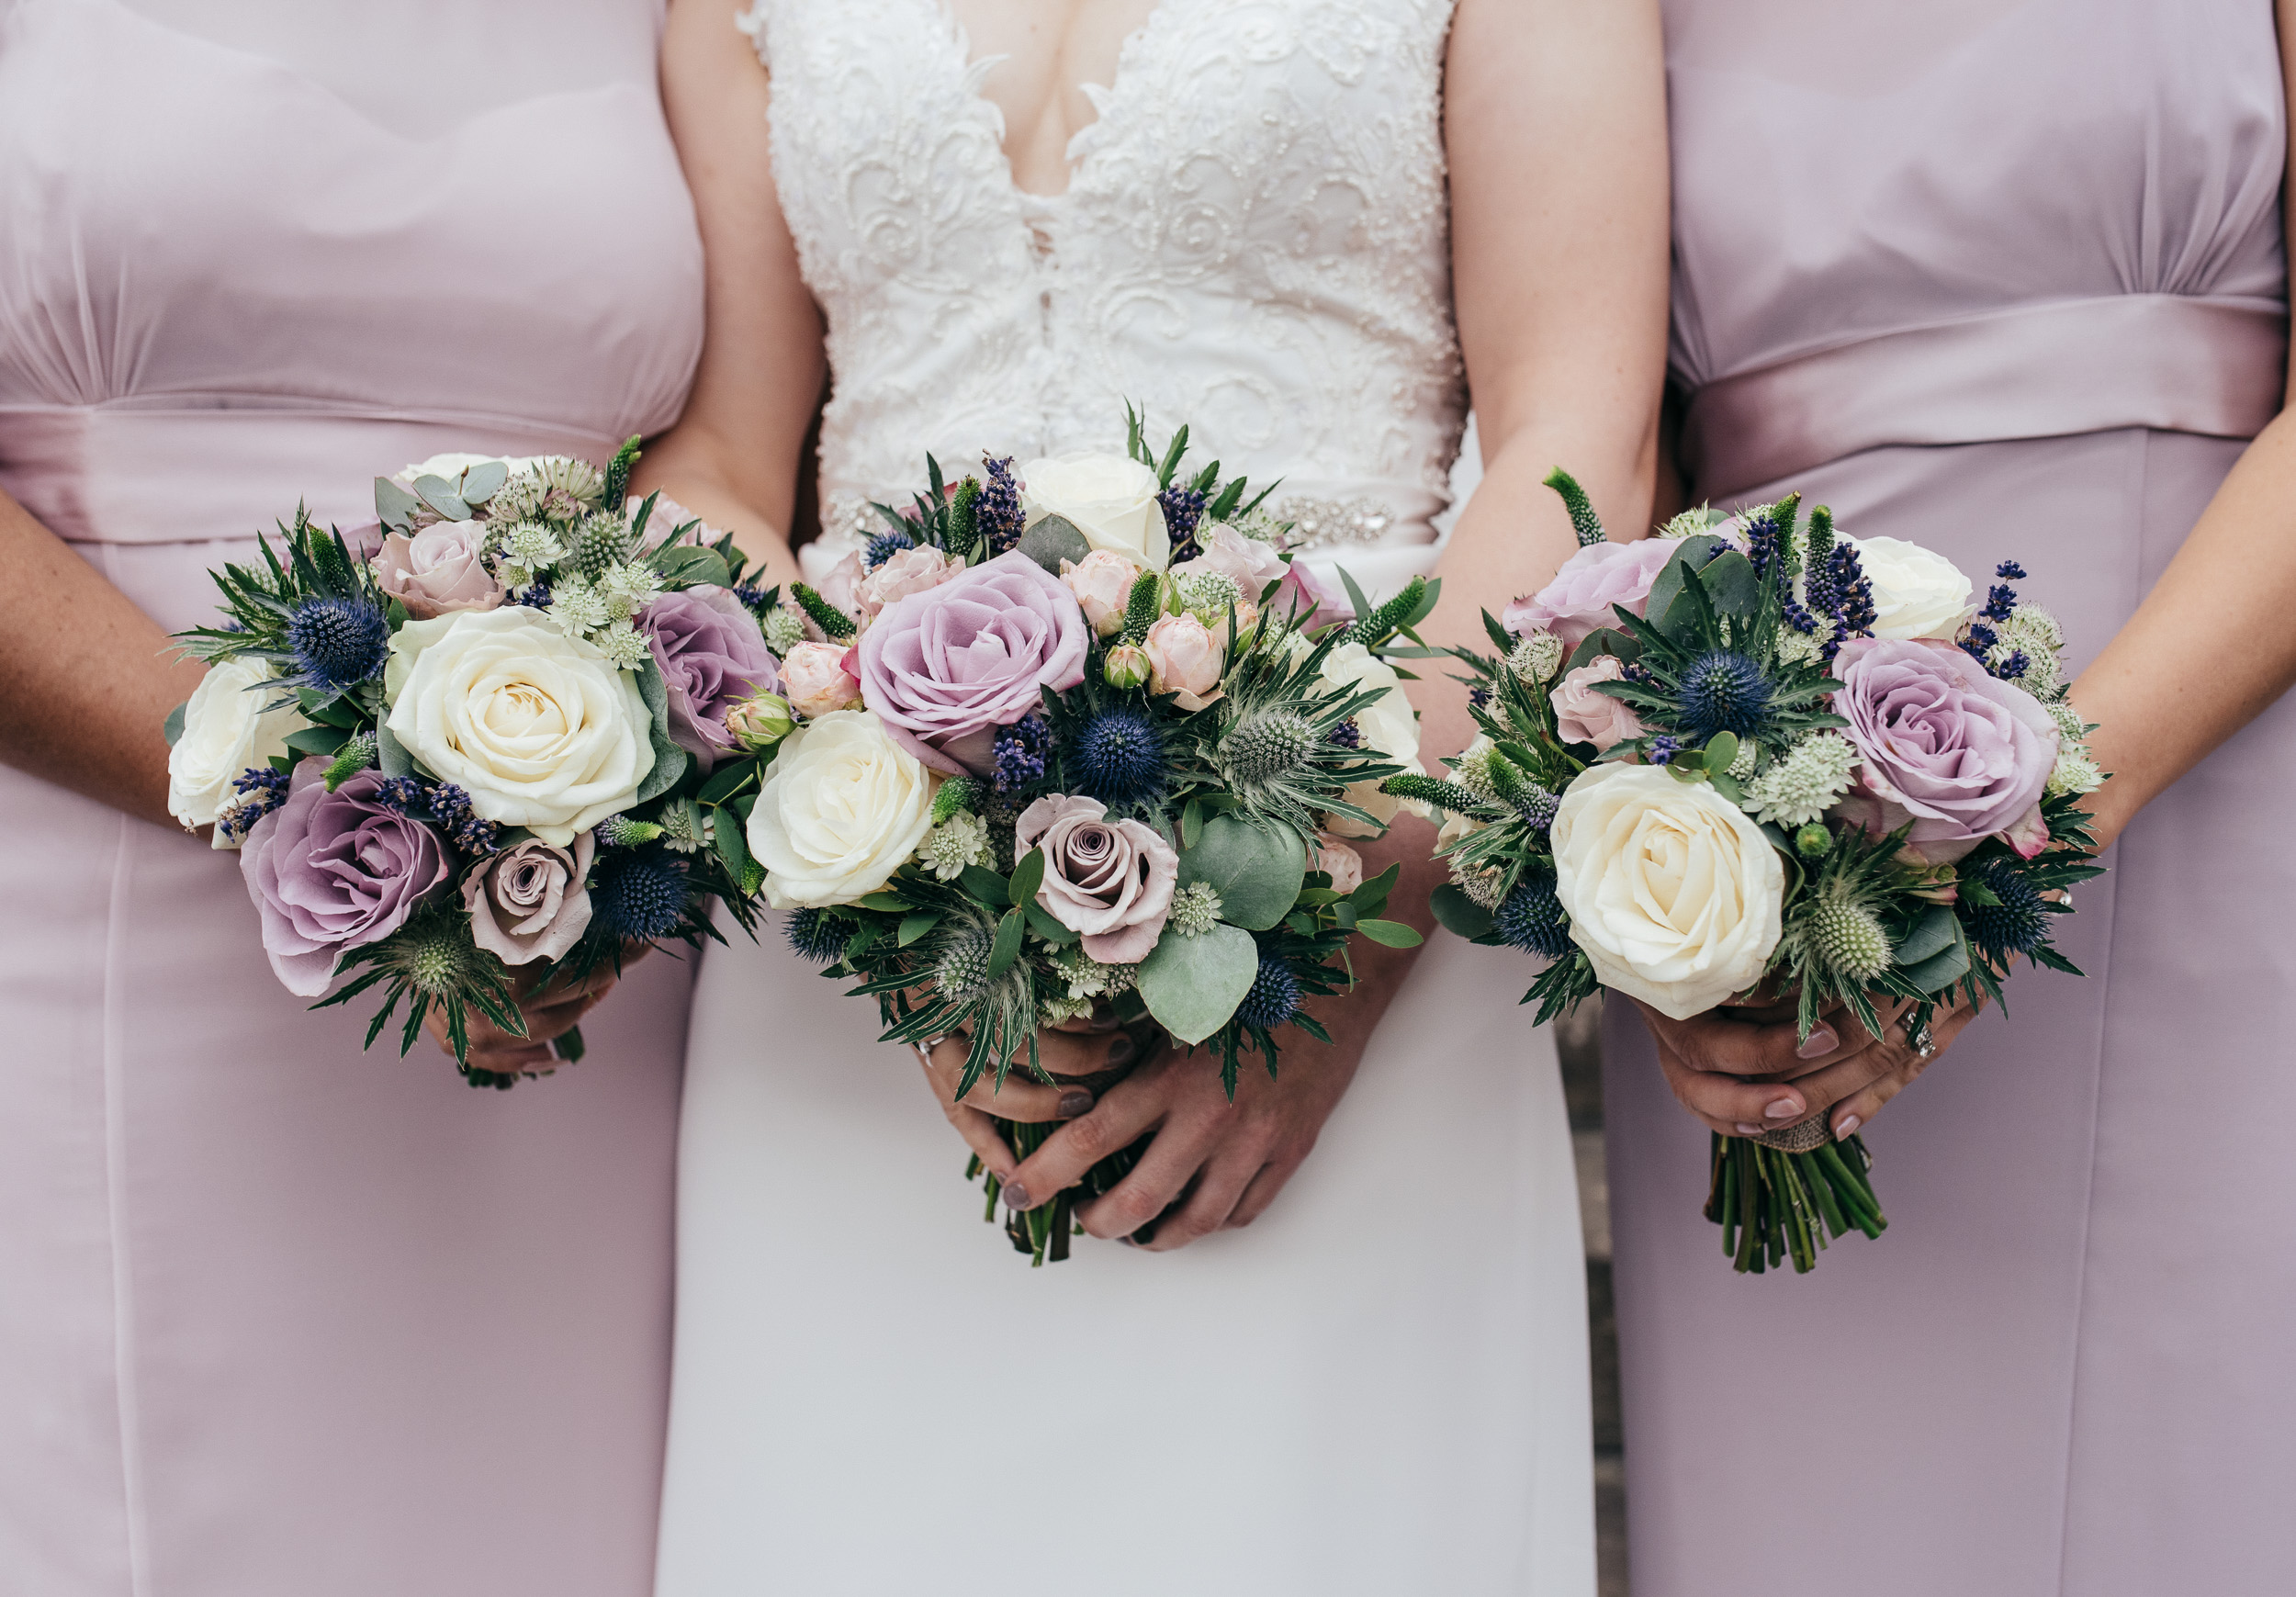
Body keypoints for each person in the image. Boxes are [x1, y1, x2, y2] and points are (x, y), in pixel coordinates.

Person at [638, 0, 1667, 1591]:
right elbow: (718, 453)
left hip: (1356, 821)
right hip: (852, 906)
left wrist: (1372, 916)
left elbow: (1574, 434)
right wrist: (849, 802)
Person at [0, 2, 703, 1591]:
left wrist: (575, 809)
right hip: (117, 870)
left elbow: (728, 452)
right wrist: (319, 813)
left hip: (582, 930)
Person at [1604, 1, 2296, 1591]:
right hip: (1783, 877)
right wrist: (1654, 870)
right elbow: (1605, 435)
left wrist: (2023, 840)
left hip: (2223, 795)